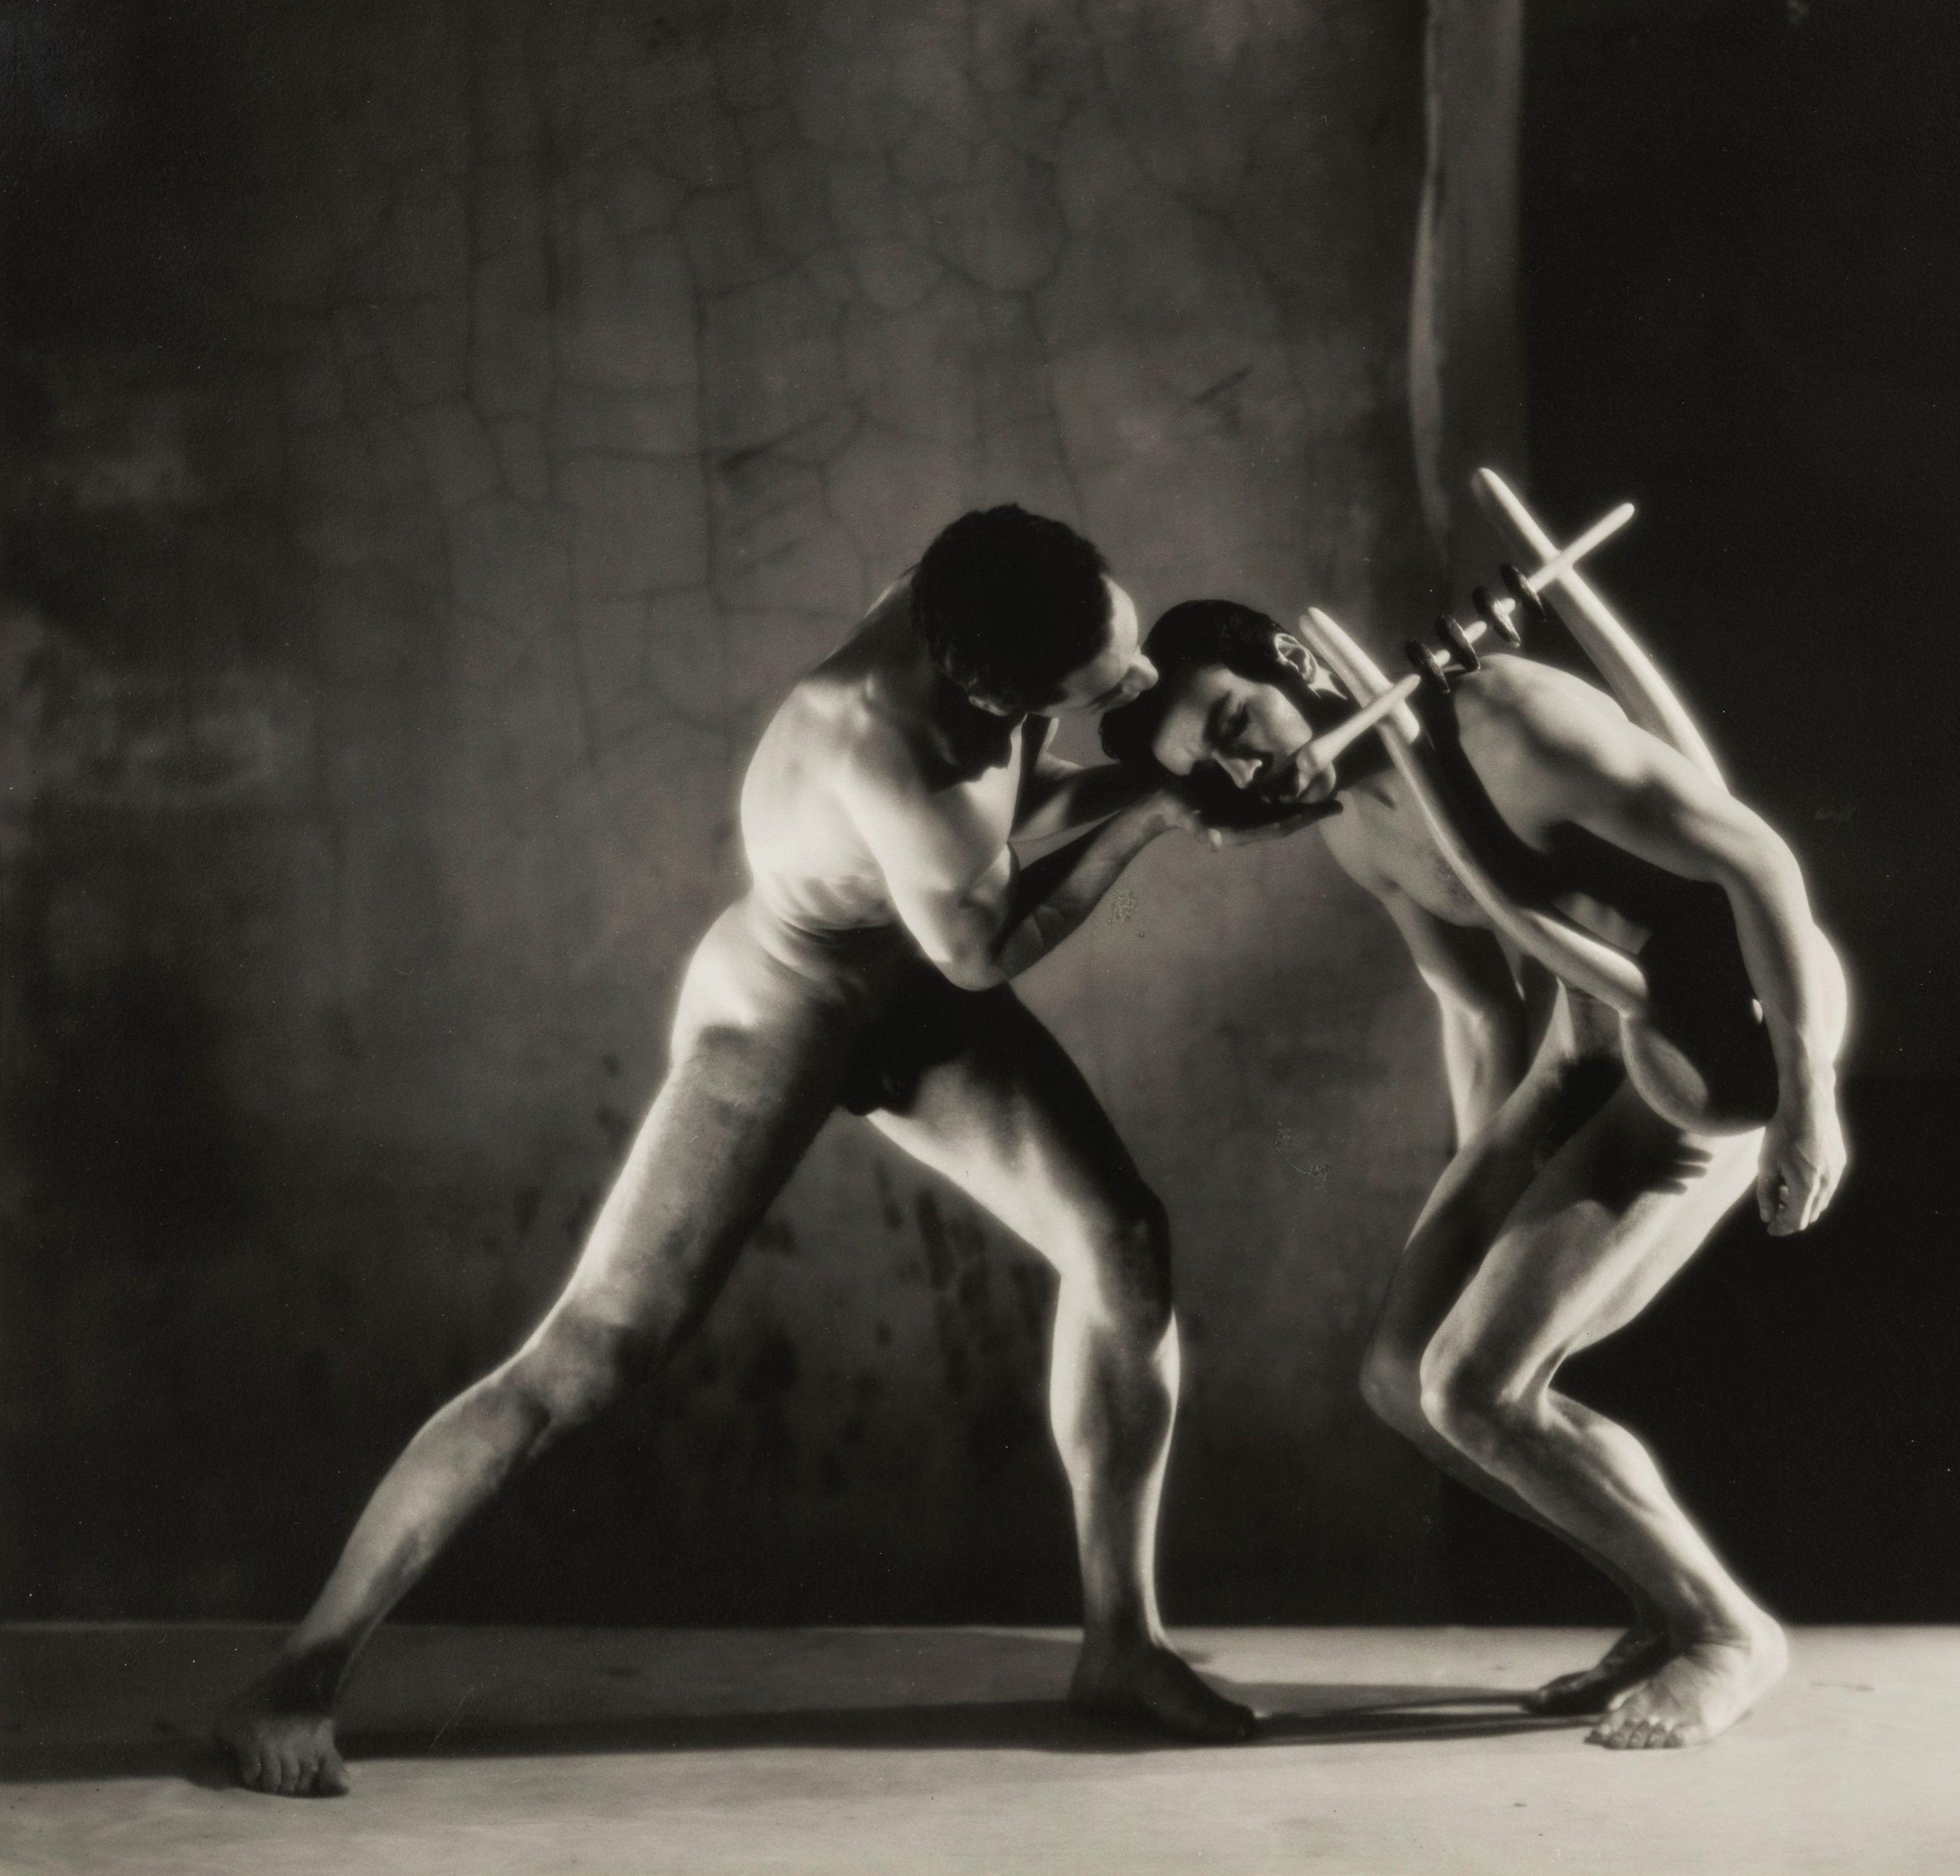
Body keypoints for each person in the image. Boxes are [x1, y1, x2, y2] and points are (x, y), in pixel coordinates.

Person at [218, 507, 1312, 1796]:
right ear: (980, 683)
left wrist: (1176, 766)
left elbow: (997, 832)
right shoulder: (880, 745)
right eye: (1098, 688)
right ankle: (296, 1674)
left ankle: (1122, 1645)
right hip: (784, 1010)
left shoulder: (977, 592)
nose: (1131, 687)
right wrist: (1154, 819)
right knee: (593, 1356)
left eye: (1124, 654)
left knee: (1122, 1241)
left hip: (908, 974)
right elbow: (985, 936)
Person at [1102, 592, 1850, 1750]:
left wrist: (1809, 1100)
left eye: (1237, 722)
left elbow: (1757, 864)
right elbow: (1475, 1008)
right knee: (1406, 1379)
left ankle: (1725, 1633)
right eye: (1211, 768)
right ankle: (1661, 1610)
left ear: (1293, 663)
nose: (1245, 772)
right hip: (1594, 1043)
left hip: (1723, 1038)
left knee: (1473, 1385)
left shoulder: (1510, 722)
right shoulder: (1355, 823)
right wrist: (1484, 1178)